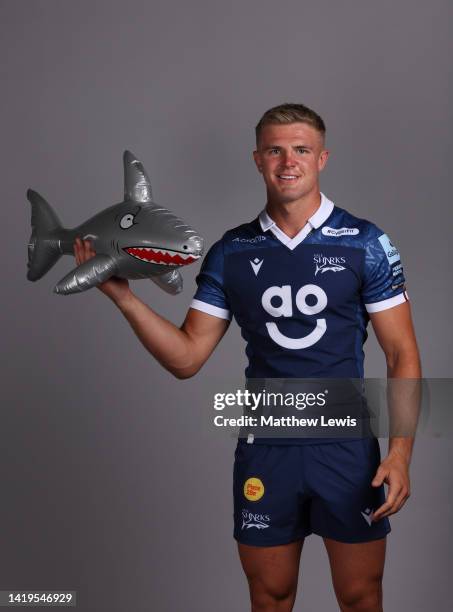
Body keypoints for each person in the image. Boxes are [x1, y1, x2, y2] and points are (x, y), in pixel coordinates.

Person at [74, 103, 421, 612]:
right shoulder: (230, 252)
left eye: (301, 149)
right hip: (267, 449)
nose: (288, 161)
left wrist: (400, 454)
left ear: (322, 158)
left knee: (360, 596)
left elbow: (402, 352)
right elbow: (187, 357)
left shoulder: (366, 243)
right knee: (270, 597)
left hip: (346, 450)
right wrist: (124, 297)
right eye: (275, 150)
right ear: (257, 159)